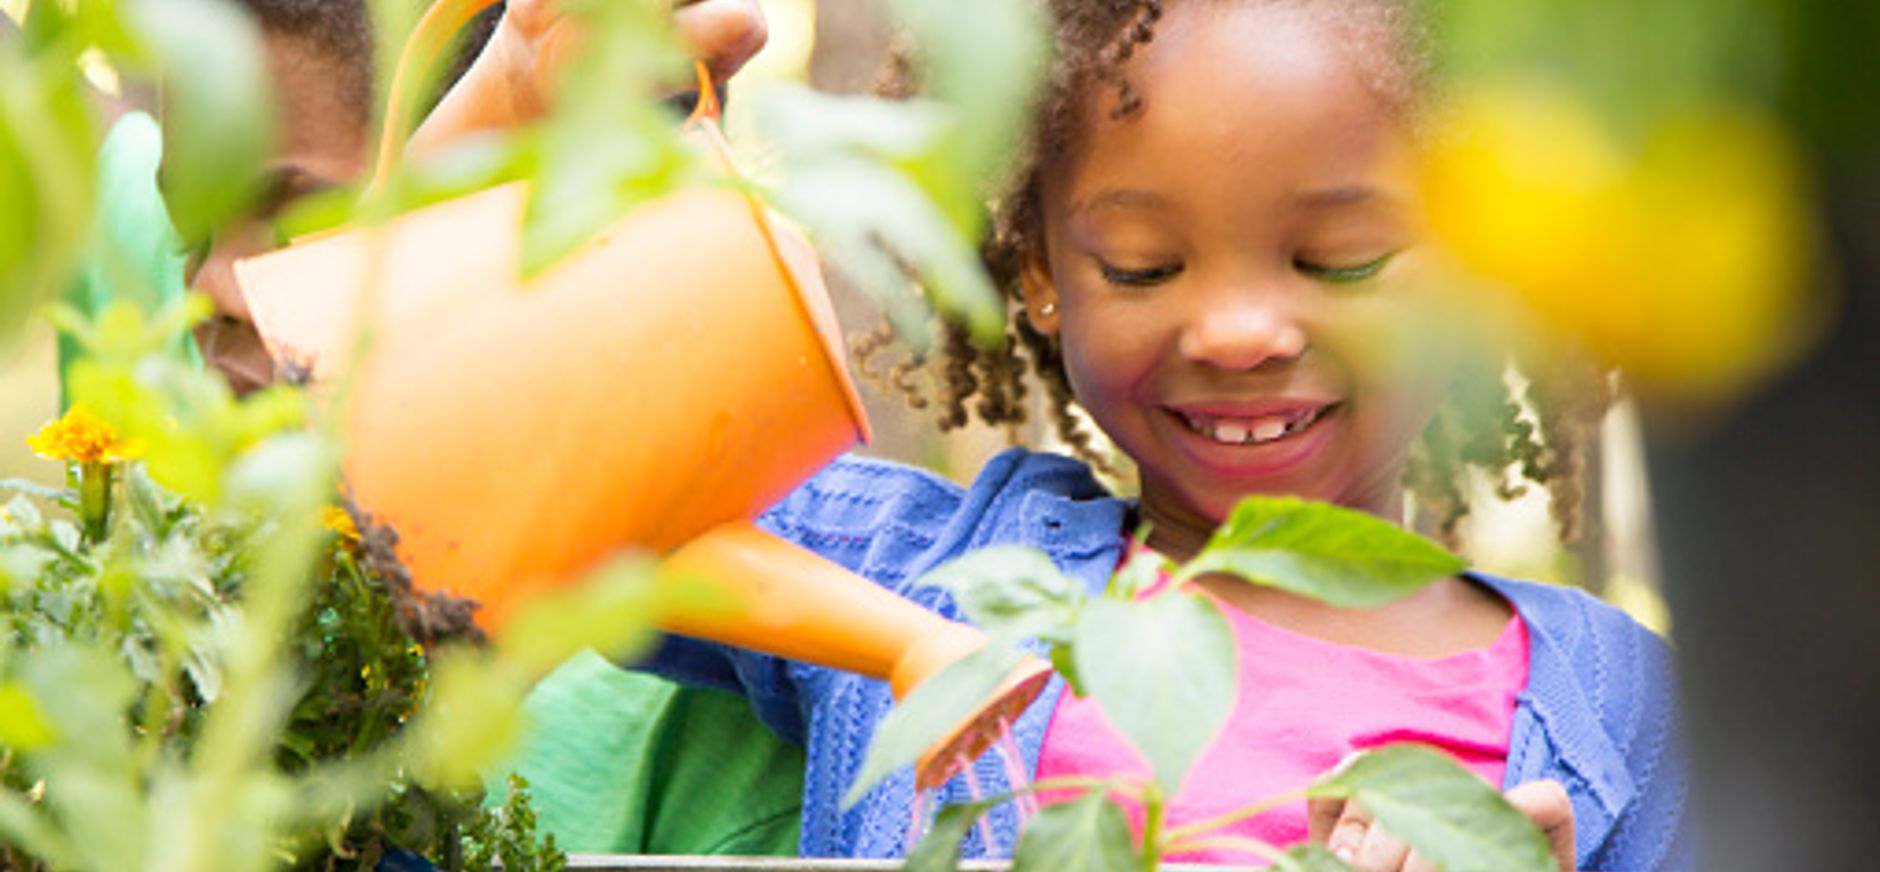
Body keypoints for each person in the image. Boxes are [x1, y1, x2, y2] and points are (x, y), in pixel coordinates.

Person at [643, 1, 1690, 869]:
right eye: (1141, 266)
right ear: (1041, 273)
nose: (1238, 334)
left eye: (1343, 260)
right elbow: (582, 495)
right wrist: (580, 104)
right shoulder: (909, 575)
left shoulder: (1628, 716)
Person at [58, 0, 807, 856]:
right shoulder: (198, 394)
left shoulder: (712, 720)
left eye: (302, 218)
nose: (208, 290)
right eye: (187, 231)